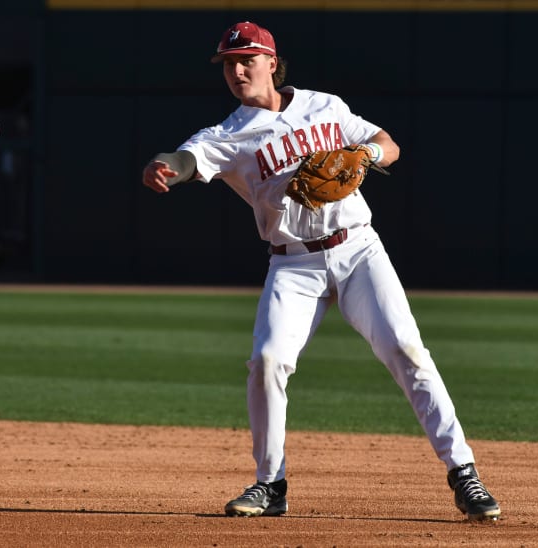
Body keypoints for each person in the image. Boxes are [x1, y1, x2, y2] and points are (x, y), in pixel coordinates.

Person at [142, 21, 500, 522]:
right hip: (294, 264)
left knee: (406, 349)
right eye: (228, 63)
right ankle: (271, 485)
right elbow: (186, 158)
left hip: (358, 250)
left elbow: (385, 143)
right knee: (267, 360)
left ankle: (465, 474)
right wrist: (163, 167)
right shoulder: (228, 134)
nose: (237, 70)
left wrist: (366, 154)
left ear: (272, 61)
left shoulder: (323, 105)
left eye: (246, 59)